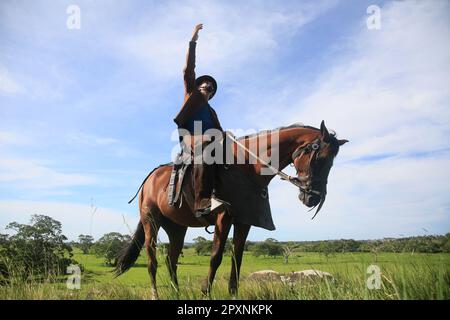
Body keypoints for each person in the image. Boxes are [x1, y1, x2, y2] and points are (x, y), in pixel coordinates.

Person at [173, 24, 223, 217]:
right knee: (207, 144)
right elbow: (189, 68)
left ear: (211, 93)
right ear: (197, 85)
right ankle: (201, 202)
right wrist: (193, 41)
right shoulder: (191, 94)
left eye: (210, 86)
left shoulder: (212, 112)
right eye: (204, 83)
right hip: (191, 138)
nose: (207, 85)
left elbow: (218, 132)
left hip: (211, 139)